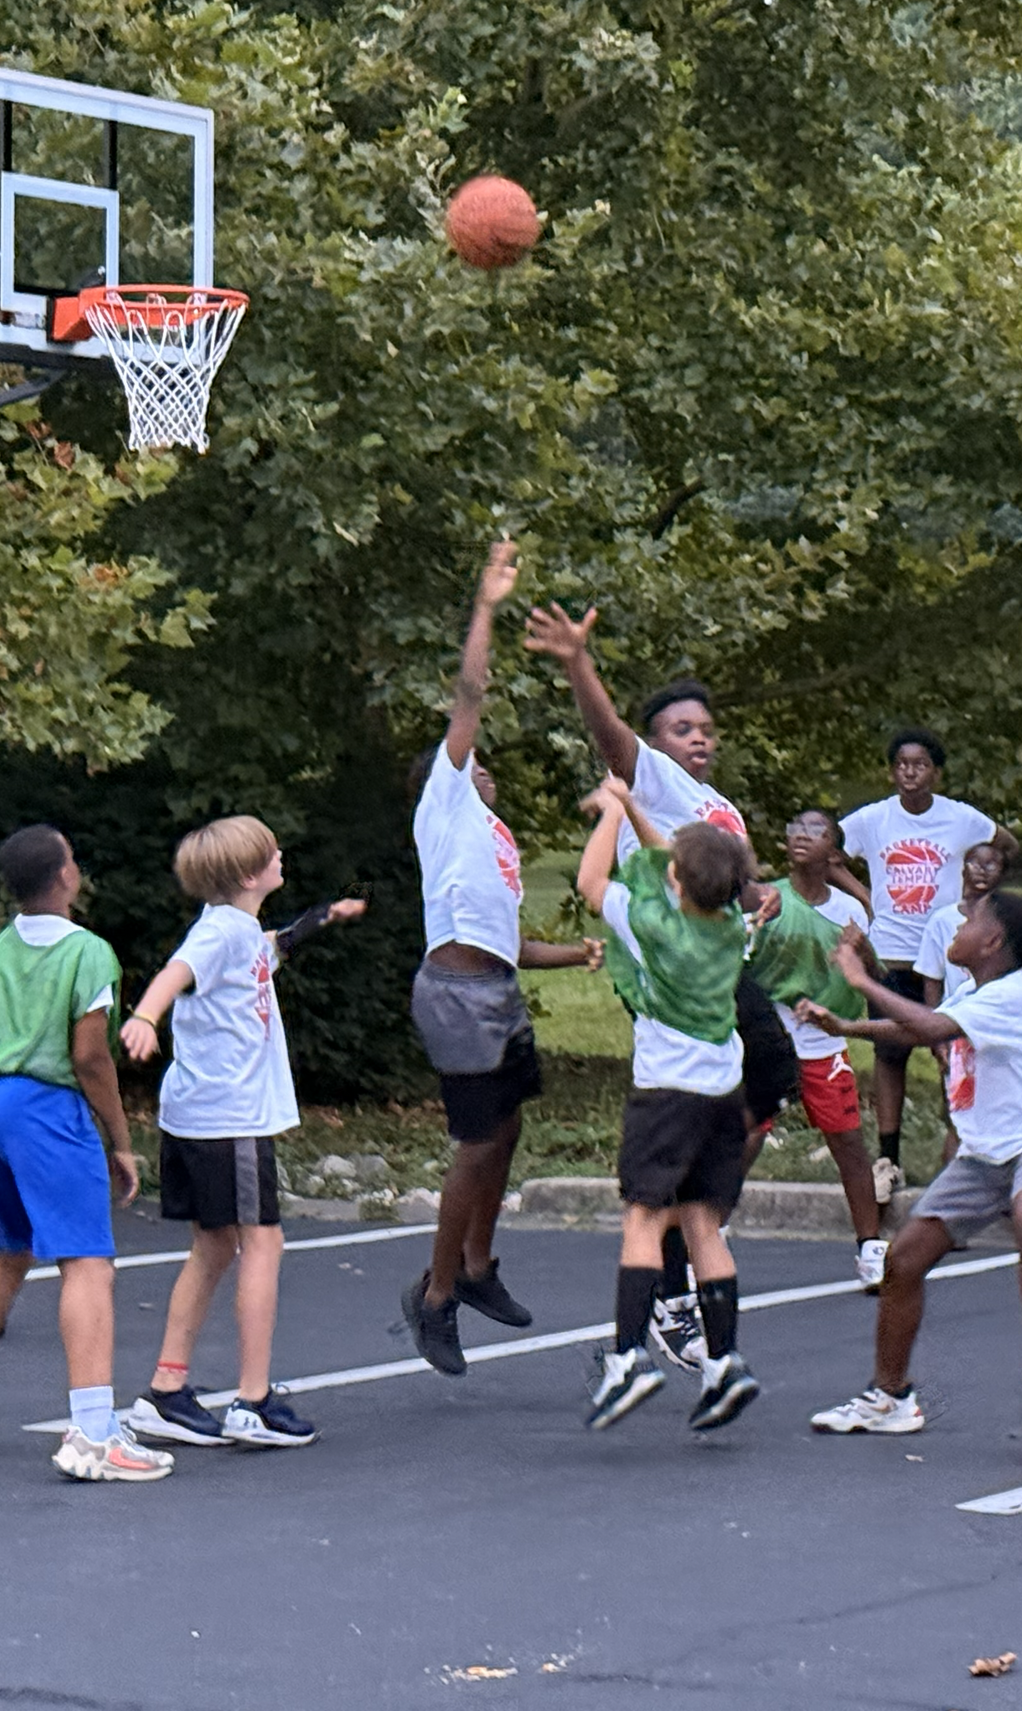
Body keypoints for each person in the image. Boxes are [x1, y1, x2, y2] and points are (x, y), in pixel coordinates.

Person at [525, 601, 780, 1371]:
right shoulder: (656, 777)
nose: (698, 736)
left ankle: (691, 1222)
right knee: (757, 1066)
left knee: (759, 1082)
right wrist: (577, 662)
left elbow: (734, 877)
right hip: (672, 970)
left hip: (714, 962)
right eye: (682, 727)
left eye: (706, 727)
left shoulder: (719, 808)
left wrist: (759, 894)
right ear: (657, 744)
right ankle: (671, 1282)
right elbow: (610, 736)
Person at [399, 542, 604, 1377]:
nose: (481, 768)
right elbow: (471, 693)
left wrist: (573, 952)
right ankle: (436, 1294)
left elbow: (508, 939)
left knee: (510, 1124)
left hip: (497, 986)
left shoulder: (491, 840)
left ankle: (479, 1267)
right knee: (477, 1144)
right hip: (456, 995)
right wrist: (485, 605)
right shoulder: (443, 802)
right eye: (470, 762)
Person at [0, 826, 170, 1482]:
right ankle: (92, 1433)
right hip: (43, 1108)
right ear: (63, 877)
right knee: (88, 1260)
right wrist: (120, 1138)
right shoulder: (89, 952)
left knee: (5, 1252)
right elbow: (89, 1055)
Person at [113, 818, 364, 1448]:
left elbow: (267, 954)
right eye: (272, 852)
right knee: (264, 1245)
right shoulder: (221, 932)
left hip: (199, 1117)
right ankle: (252, 1401)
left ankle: (167, 1391)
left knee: (216, 1246)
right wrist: (146, 1015)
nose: (282, 854)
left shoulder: (239, 929)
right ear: (251, 876)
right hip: (230, 1120)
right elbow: (177, 972)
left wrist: (321, 917)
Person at [800, 891, 1022, 1437]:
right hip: (982, 1154)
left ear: (993, 942)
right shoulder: (977, 992)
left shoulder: (1008, 996)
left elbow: (929, 1029)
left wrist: (859, 979)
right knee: (903, 1262)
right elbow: (924, 1024)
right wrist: (848, 1028)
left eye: (969, 921)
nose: (956, 927)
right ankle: (890, 1398)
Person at [575, 774, 762, 1430]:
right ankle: (723, 1361)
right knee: (702, 1222)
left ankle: (627, 1358)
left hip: (667, 1094)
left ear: (676, 883)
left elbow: (591, 883)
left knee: (642, 1218)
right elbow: (677, 863)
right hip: (722, 1092)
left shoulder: (653, 923)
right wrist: (633, 807)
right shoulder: (733, 921)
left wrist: (608, 813)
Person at [838, 730, 1016, 1205]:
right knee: (889, 1054)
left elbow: (1006, 844)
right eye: (901, 764)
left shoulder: (960, 819)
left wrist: (978, 898)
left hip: (947, 955)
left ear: (936, 772)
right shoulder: (874, 819)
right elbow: (829, 851)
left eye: (920, 765)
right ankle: (888, 1159)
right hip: (892, 954)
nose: (909, 773)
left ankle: (959, 1153)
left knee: (951, 1055)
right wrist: (864, 896)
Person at [740, 810, 885, 1287]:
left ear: (835, 853)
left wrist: (860, 954)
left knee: (847, 1141)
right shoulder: (767, 899)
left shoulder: (851, 911)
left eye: (816, 831)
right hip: (768, 1035)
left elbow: (875, 982)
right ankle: (707, 1228)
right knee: (749, 1133)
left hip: (824, 1037)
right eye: (794, 828)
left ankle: (870, 1248)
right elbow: (737, 962)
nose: (802, 835)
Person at [913, 841, 1010, 1006]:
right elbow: (932, 978)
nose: (982, 871)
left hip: (999, 1013)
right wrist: (934, 1020)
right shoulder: (942, 920)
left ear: (1003, 874)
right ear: (963, 870)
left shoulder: (1012, 918)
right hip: (956, 1015)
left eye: (991, 866)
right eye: (974, 864)